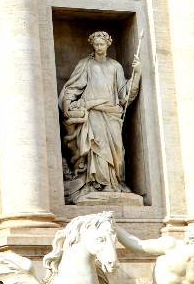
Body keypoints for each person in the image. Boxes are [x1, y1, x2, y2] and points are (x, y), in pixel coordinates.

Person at [58, 30, 141, 202]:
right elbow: (73, 87)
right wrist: (68, 105)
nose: (99, 47)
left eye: (101, 44)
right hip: (94, 112)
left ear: (108, 44)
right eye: (96, 44)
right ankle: (97, 183)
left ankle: (114, 182)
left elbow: (123, 93)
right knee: (97, 147)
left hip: (112, 113)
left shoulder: (115, 66)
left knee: (117, 151)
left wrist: (137, 73)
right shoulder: (86, 64)